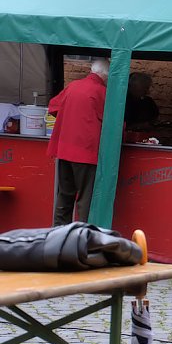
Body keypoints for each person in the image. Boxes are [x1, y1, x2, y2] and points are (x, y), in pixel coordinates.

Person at [47, 58, 110, 225]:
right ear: (105, 75)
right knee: (85, 200)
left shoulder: (73, 86)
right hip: (86, 153)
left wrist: (68, 118)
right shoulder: (102, 92)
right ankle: (82, 241)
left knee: (64, 197)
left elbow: (53, 106)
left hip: (64, 150)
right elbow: (113, 123)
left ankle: (58, 238)